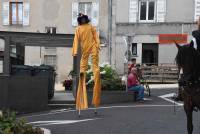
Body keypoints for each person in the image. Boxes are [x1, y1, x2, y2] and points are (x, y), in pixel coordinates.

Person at [72, 13, 101, 110]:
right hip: (85, 48)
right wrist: (75, 51)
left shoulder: (90, 26)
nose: (83, 20)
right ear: (80, 20)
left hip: (92, 46)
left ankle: (95, 70)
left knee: (95, 60)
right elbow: (76, 40)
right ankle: (82, 73)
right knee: (83, 63)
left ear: (86, 19)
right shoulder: (78, 29)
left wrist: (97, 45)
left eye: (84, 18)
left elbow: (96, 36)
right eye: (82, 19)